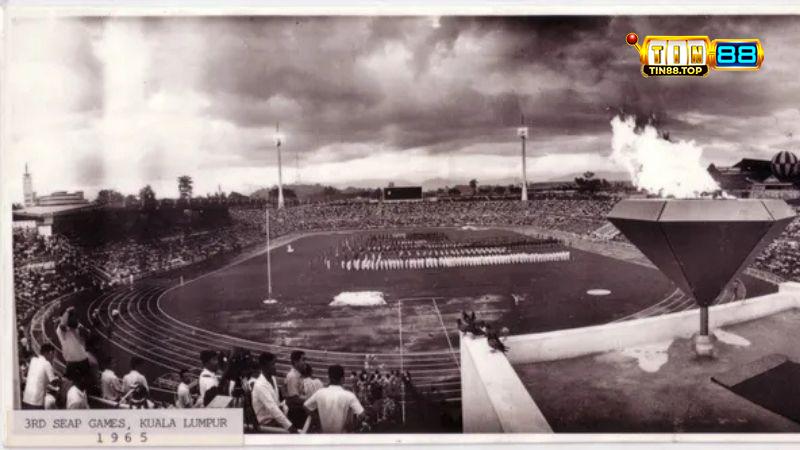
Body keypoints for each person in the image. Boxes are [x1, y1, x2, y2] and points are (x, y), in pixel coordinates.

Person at [303, 364, 365, 433]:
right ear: (343, 379)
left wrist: (318, 421)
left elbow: (306, 406)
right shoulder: (349, 395)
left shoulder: (320, 393)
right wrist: (352, 427)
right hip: (341, 435)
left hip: (324, 434)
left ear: (329, 378)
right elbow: (362, 415)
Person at [251, 352, 297, 433]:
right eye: (273, 364)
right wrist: (290, 427)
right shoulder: (260, 385)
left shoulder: (272, 378)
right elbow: (272, 408)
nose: (276, 367)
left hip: (275, 417)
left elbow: (276, 403)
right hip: (267, 422)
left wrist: (284, 406)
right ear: (264, 367)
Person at [56, 307, 90, 381]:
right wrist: (67, 311)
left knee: (87, 382)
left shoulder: (77, 326)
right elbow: (63, 325)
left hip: (83, 358)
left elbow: (86, 335)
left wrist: (79, 329)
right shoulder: (60, 330)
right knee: (71, 383)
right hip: (71, 361)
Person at [21, 343, 57, 409]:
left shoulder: (33, 360)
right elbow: (54, 382)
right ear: (50, 353)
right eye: (53, 355)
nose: (53, 358)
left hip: (26, 399)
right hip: (36, 402)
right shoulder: (47, 363)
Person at [285, 350, 307, 427]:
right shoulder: (293, 376)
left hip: (299, 410)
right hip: (296, 413)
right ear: (295, 362)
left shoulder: (298, 375)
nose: (305, 362)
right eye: (303, 360)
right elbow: (294, 398)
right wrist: (310, 399)